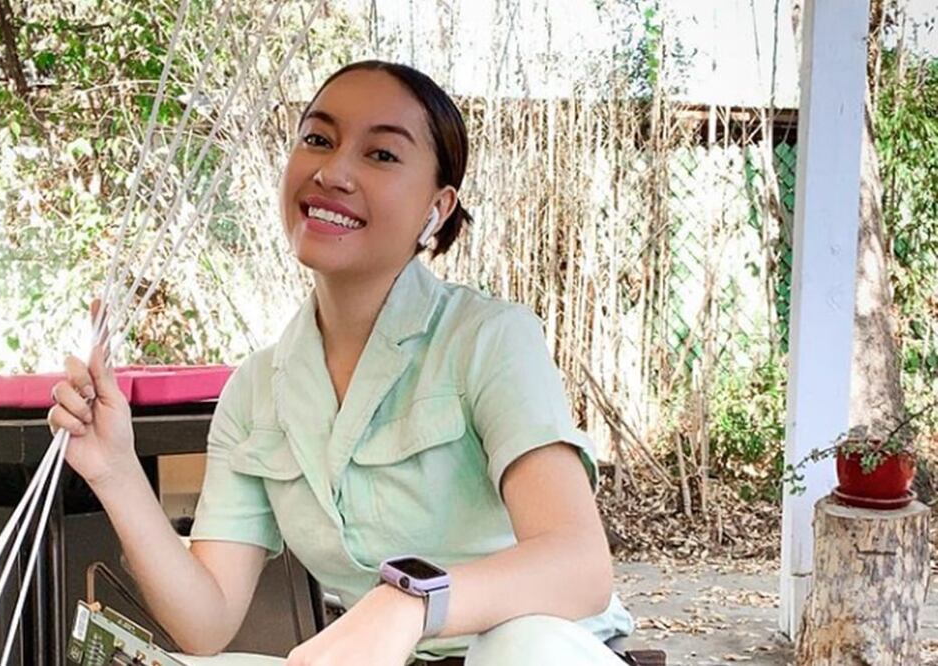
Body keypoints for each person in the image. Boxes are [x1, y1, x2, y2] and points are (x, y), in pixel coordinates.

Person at [49, 60, 634, 666]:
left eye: (381, 155)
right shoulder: (256, 391)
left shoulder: (490, 338)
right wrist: (114, 469)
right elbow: (208, 620)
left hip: (535, 649)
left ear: (436, 208)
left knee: (521, 647)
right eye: (317, 139)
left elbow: (579, 566)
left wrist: (409, 602)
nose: (332, 171)